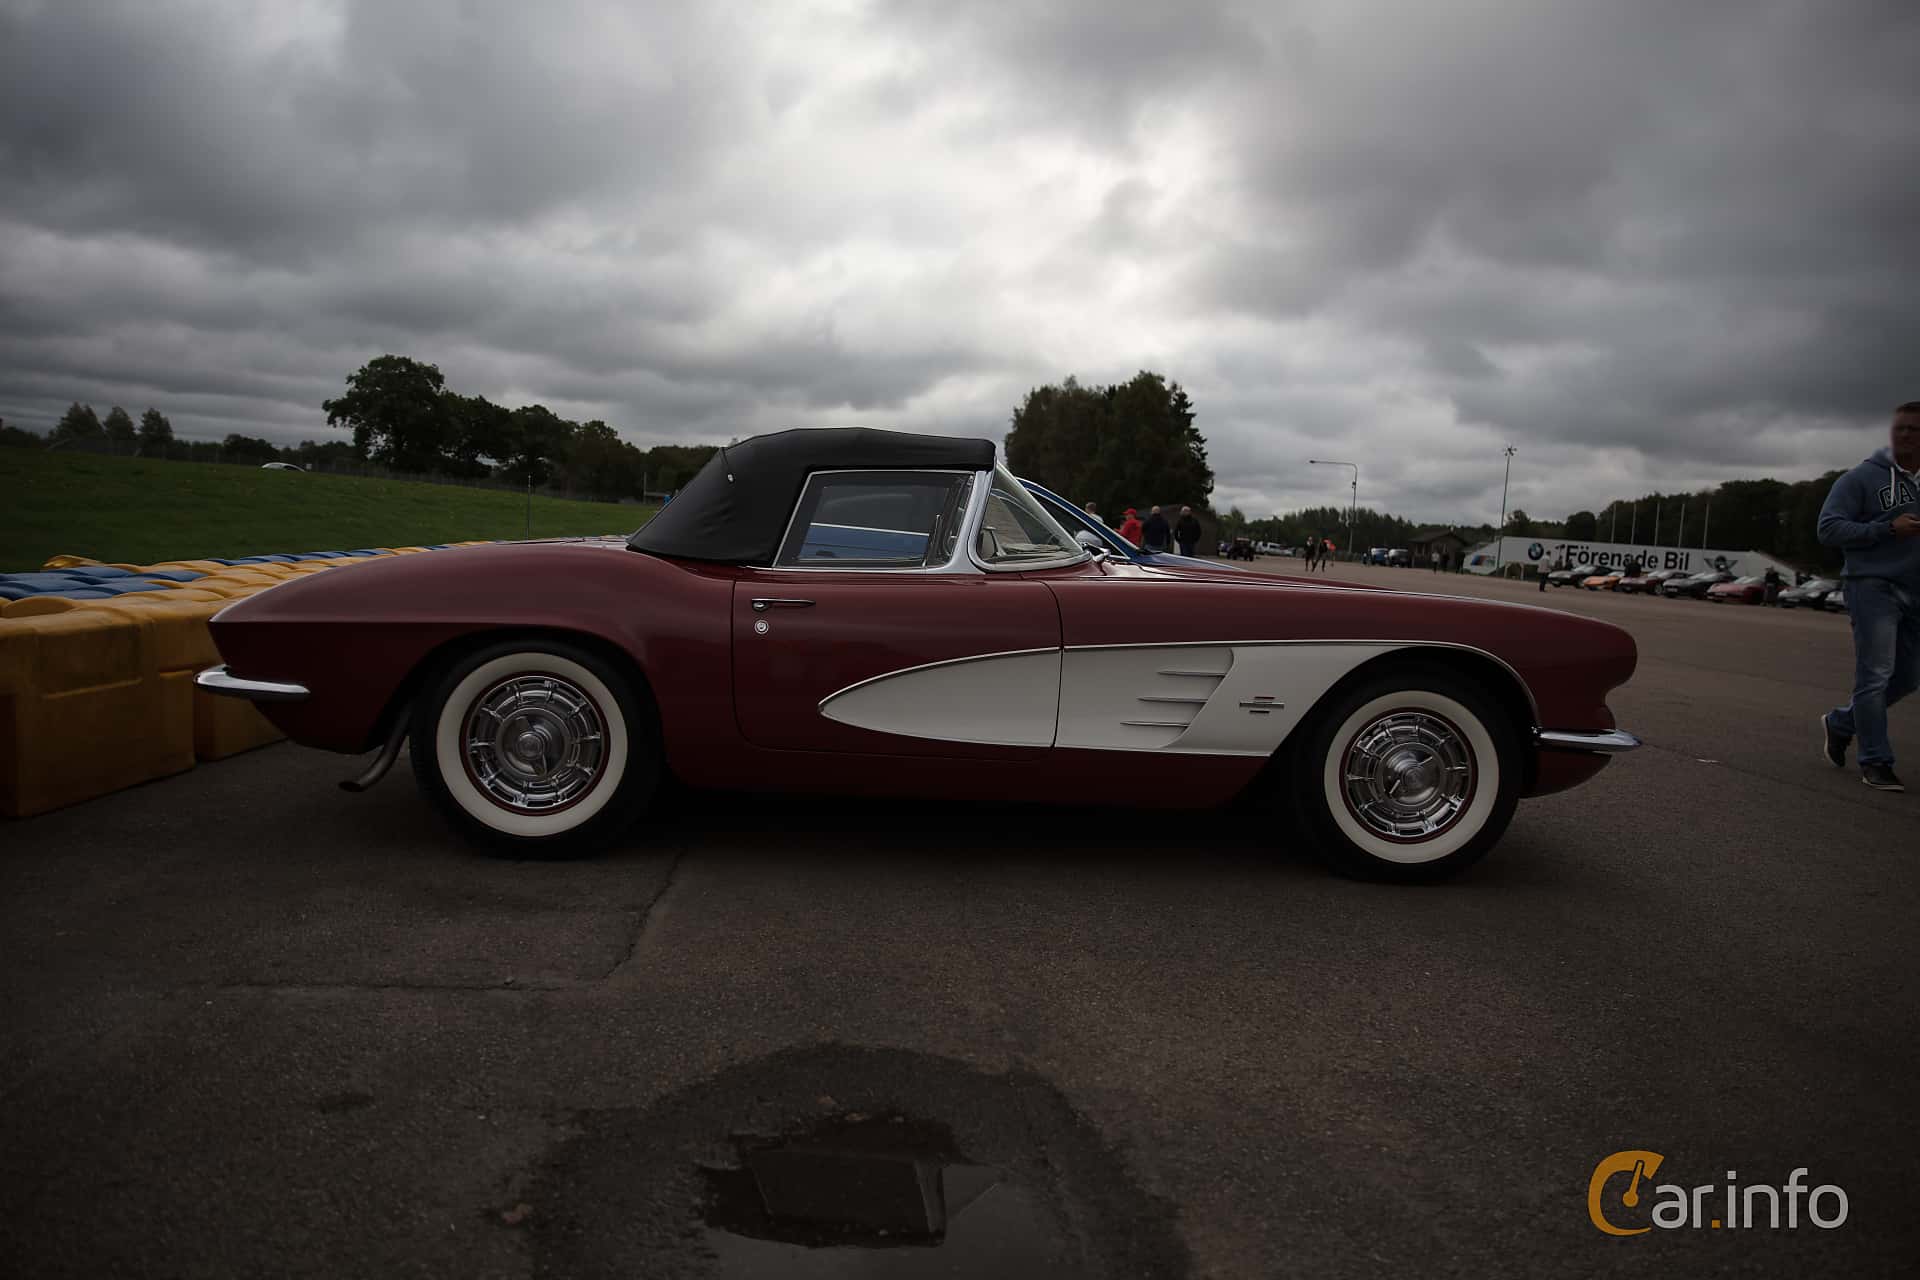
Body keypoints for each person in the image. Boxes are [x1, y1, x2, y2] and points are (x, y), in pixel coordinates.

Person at [1818, 401, 1920, 792]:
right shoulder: (1861, 478)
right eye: (1901, 428)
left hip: (1916, 590)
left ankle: (1841, 723)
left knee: (1908, 678)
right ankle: (1876, 760)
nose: (1906, 434)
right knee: (1875, 674)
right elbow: (1828, 529)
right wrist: (1887, 530)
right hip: (1872, 585)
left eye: (1915, 429)